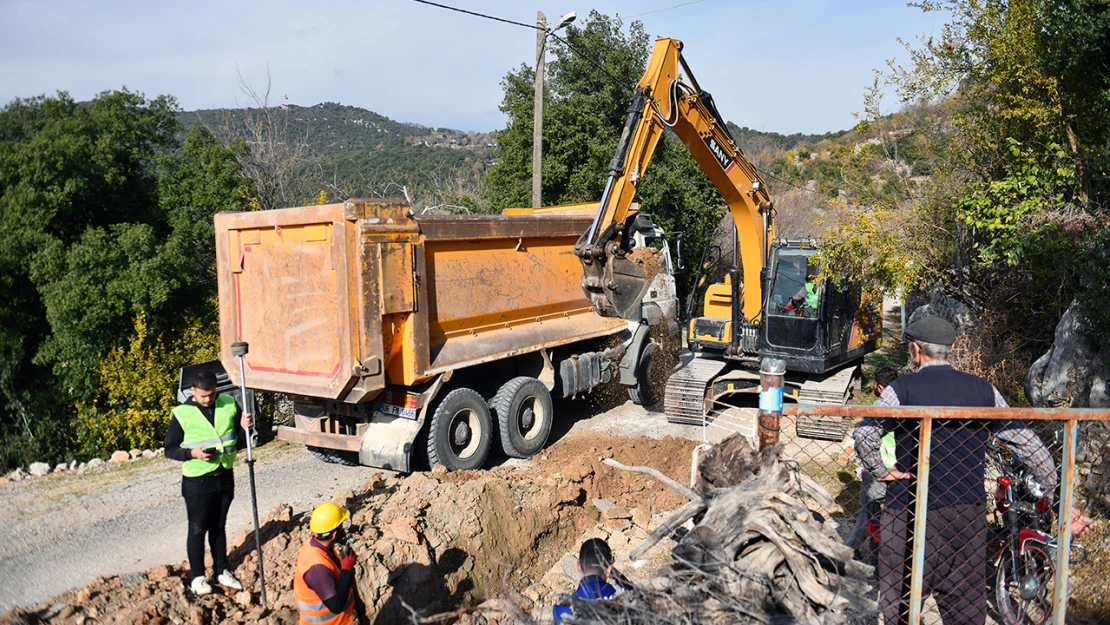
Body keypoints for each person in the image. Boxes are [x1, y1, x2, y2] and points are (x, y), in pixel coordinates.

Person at [854, 316, 1057, 625]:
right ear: (948, 349)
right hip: (965, 516)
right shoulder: (984, 390)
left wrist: (881, 471)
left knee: (903, 606)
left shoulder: (902, 388)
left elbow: (865, 433)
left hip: (909, 510)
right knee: (964, 607)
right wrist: (1053, 488)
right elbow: (1025, 442)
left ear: (915, 350)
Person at [164, 370, 253, 596]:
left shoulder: (229, 403)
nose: (208, 399)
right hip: (197, 480)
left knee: (219, 526)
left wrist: (244, 428)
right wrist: (192, 453)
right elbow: (170, 449)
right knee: (197, 529)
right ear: (193, 391)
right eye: (203, 395)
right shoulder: (182, 413)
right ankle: (197, 577)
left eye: (211, 394)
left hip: (224, 475)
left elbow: (240, 441)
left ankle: (221, 570)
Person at [842, 368, 899, 554]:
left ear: (880, 387)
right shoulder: (906, 403)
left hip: (879, 468)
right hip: (900, 468)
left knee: (868, 513)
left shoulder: (879, 408)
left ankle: (853, 548)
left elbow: (865, 436)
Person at [293, 502, 359, 625]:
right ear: (334, 534)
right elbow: (336, 606)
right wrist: (346, 569)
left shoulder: (316, 545)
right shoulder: (317, 568)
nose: (343, 529)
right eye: (340, 526)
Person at [553, 538, 630, 623]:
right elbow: (635, 592)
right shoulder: (624, 597)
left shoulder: (561, 608)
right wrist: (619, 577)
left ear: (578, 566)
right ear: (608, 569)